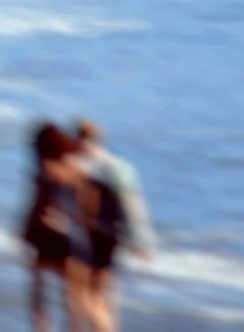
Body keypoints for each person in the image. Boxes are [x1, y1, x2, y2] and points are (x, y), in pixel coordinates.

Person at [77, 120, 155, 330]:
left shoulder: (76, 167)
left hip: (90, 237)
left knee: (88, 299)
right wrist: (141, 242)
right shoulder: (120, 167)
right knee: (106, 299)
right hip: (111, 236)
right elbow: (134, 207)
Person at [22, 122, 92, 332]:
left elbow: (38, 207)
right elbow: (87, 207)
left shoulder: (45, 170)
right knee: (75, 302)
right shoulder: (78, 171)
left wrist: (26, 233)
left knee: (40, 300)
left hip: (50, 237)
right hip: (77, 237)